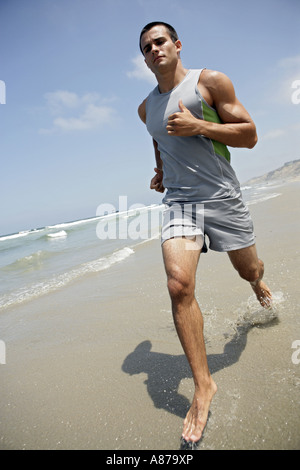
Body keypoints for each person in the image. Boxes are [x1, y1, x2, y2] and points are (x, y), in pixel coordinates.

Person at [137, 21, 272, 446]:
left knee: (248, 269)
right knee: (179, 285)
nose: (154, 49)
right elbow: (160, 138)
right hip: (181, 203)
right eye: (146, 47)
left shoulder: (209, 81)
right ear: (143, 58)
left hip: (223, 198)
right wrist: (161, 172)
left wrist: (201, 127)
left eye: (160, 41)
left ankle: (257, 282)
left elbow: (249, 135)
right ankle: (203, 386)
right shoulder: (145, 108)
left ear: (176, 45)